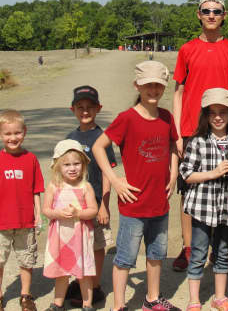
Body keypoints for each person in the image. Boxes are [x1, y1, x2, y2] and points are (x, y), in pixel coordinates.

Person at [93, 60, 181, 311]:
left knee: (156, 255)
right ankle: (119, 305)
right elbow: (99, 146)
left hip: (160, 203)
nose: (153, 90)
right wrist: (114, 179)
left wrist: (173, 173)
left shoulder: (166, 117)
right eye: (148, 86)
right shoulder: (127, 119)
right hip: (133, 205)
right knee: (124, 258)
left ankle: (152, 299)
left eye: (158, 86)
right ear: (137, 86)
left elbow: (174, 145)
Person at [172, 0, 228, 272]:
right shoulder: (186, 50)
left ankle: (220, 249)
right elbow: (178, 92)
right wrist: (179, 134)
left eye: (217, 11)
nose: (212, 16)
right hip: (193, 131)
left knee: (223, 188)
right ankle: (189, 247)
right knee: (189, 189)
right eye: (206, 11)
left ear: (224, 15)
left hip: (224, 131)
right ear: (199, 15)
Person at [179, 88, 228, 311]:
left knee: (222, 253)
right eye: (212, 112)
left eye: (223, 112)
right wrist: (213, 173)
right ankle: (194, 300)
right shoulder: (197, 142)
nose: (217, 117)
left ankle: (220, 297)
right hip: (202, 207)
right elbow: (186, 174)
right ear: (205, 115)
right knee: (198, 253)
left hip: (226, 207)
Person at [0, 110, 44, 311]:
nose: (13, 138)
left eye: (17, 133)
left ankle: (26, 295)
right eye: (7, 134)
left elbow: (36, 191)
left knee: (27, 259)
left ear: (24, 132)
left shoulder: (31, 159)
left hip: (25, 222)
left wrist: (38, 214)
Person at [64, 85, 117, 307]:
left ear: (98, 108)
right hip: (75, 205)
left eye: (90, 107)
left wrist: (104, 205)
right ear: (73, 109)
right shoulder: (70, 138)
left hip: (95, 203)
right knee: (77, 245)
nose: (85, 112)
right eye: (80, 107)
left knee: (97, 245)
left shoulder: (103, 137)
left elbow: (108, 173)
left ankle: (94, 286)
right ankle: (80, 282)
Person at [42, 140, 98, 311]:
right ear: (58, 166)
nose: (72, 168)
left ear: (83, 164)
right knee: (61, 272)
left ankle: (87, 304)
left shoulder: (85, 187)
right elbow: (46, 210)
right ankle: (58, 303)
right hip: (60, 236)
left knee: (84, 274)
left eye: (76, 163)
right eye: (66, 164)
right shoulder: (54, 186)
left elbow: (93, 210)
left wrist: (79, 214)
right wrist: (58, 213)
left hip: (79, 237)